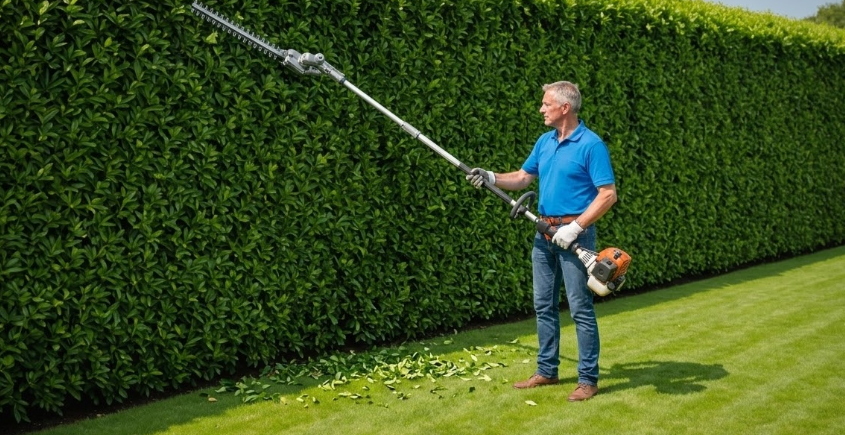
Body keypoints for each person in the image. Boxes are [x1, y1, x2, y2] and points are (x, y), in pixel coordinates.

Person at [466, 81, 617, 402]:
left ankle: (588, 380)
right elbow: (522, 178)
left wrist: (575, 227)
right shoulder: (545, 142)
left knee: (580, 309)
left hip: (575, 238)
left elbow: (607, 195)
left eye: (546, 104)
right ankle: (547, 370)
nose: (541, 109)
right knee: (543, 306)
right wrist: (491, 176)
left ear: (565, 108)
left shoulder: (591, 145)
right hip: (543, 234)